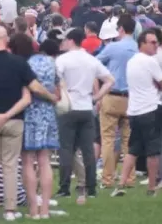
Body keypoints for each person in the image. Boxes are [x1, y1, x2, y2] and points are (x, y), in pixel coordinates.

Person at [0, 26, 57, 221]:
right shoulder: (19, 64)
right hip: (14, 120)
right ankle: (11, 210)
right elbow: (33, 89)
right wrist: (52, 97)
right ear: (6, 39)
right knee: (11, 166)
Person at [55, 28, 114, 202]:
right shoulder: (91, 60)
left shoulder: (62, 60)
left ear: (71, 41)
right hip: (86, 106)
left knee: (66, 149)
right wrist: (97, 97)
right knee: (88, 150)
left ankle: (64, 187)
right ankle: (91, 187)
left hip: (67, 106)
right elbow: (110, 80)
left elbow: (55, 80)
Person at [111, 29, 162, 197]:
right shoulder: (150, 61)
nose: (156, 45)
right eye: (152, 42)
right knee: (153, 150)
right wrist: (158, 84)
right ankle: (152, 187)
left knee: (133, 149)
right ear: (142, 44)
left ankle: (121, 183)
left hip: (135, 110)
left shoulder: (132, 61)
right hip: (151, 108)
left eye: (157, 42)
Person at [12, 36, 60, 218]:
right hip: (48, 114)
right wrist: (53, 98)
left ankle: (33, 209)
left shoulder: (23, 64)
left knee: (27, 162)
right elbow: (58, 86)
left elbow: (33, 88)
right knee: (45, 161)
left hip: (29, 113)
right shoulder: (50, 61)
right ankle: (45, 209)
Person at [95, 14, 138, 189]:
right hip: (132, 98)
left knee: (107, 139)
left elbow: (95, 64)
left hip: (111, 96)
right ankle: (129, 178)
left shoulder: (113, 48)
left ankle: (107, 178)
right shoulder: (137, 48)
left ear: (120, 29)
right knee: (129, 141)